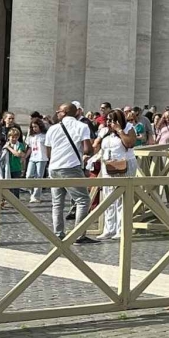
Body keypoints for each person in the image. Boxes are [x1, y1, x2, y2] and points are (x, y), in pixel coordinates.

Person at [44, 103, 94, 243]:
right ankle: (79, 235)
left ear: (65, 112)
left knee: (57, 203)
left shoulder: (52, 128)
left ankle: (58, 234)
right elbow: (87, 149)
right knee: (83, 200)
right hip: (71, 167)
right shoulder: (81, 126)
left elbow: (48, 151)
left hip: (54, 167)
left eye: (59, 111)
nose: (57, 113)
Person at [95, 111, 137, 240]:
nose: (109, 123)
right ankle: (109, 229)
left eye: (112, 120)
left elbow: (129, 144)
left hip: (124, 165)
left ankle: (121, 229)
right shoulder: (105, 131)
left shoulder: (128, 128)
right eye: (108, 120)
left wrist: (119, 130)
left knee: (122, 199)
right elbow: (96, 146)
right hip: (108, 166)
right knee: (108, 197)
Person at [25, 117, 50, 202]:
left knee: (39, 176)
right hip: (33, 157)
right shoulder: (31, 136)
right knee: (29, 175)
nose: (34, 128)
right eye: (33, 127)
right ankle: (32, 192)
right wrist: (25, 157)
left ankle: (36, 196)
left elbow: (48, 147)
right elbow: (30, 148)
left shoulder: (44, 136)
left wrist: (49, 157)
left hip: (42, 158)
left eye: (35, 126)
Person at [2, 125, 27, 200]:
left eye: (16, 137)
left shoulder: (20, 145)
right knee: (7, 185)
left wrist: (9, 148)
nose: (14, 139)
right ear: (9, 137)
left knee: (16, 186)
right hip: (7, 168)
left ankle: (16, 200)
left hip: (16, 168)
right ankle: (7, 199)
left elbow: (18, 154)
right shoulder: (6, 145)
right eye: (12, 137)